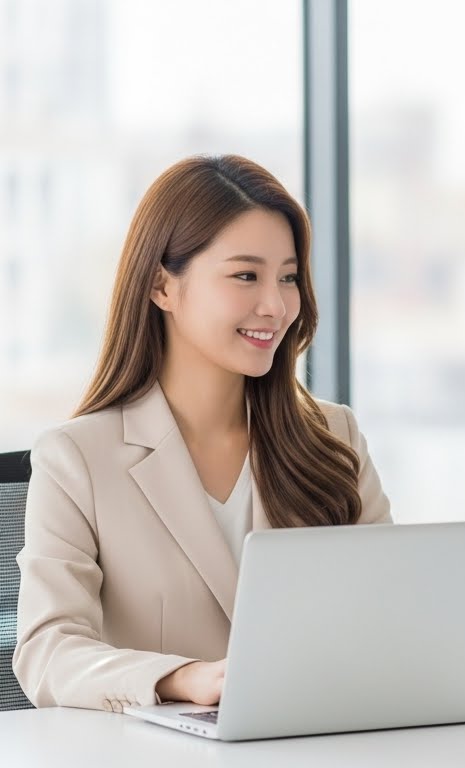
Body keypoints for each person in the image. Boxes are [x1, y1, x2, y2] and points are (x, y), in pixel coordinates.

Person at [14, 155, 391, 713]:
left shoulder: (333, 437)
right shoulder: (76, 460)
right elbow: (47, 651)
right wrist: (182, 677)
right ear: (162, 287)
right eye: (246, 275)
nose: (277, 305)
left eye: (288, 277)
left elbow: (391, 610)